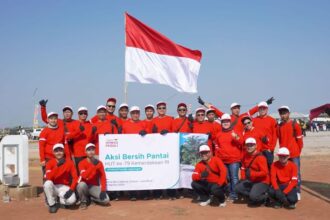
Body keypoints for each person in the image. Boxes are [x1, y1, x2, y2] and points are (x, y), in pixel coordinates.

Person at [197, 96, 275, 133]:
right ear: (231, 110)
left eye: (238, 108)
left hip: (239, 141)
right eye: (234, 108)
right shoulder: (227, 117)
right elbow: (215, 110)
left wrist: (266, 103)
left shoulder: (243, 117)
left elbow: (254, 110)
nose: (237, 109)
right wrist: (204, 103)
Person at [122, 106, 149, 200]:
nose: (135, 115)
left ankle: (144, 193)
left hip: (142, 152)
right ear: (130, 114)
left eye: (137, 113)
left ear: (139, 114)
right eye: (133, 113)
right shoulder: (125, 124)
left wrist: (145, 133)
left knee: (143, 173)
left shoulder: (144, 123)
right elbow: (121, 139)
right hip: (130, 153)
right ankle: (132, 193)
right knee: (132, 173)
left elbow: (149, 136)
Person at [214, 113, 242, 202]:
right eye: (224, 122)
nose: (225, 123)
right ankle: (230, 192)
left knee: (234, 177)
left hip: (234, 160)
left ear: (230, 122)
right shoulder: (219, 134)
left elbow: (241, 143)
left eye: (227, 121)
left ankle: (235, 195)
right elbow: (217, 147)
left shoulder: (235, 132)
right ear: (221, 123)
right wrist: (217, 158)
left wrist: (236, 138)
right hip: (223, 160)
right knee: (227, 178)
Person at [277, 106, 303, 200]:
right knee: (285, 173)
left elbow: (300, 141)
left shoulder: (294, 124)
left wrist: (297, 151)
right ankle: (289, 190)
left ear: (289, 113)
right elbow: (280, 140)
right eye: (281, 114)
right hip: (283, 154)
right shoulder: (279, 126)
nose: (283, 115)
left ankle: (298, 191)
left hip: (294, 154)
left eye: (285, 113)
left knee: (296, 173)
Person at [151, 101, 175, 199]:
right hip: (157, 149)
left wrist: (168, 132)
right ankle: (158, 192)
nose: (162, 110)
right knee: (158, 171)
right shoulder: (153, 120)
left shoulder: (171, 119)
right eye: (160, 108)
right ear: (157, 110)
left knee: (169, 171)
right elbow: (149, 135)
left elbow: (174, 133)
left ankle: (171, 192)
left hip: (168, 149)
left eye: (163, 108)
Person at [43, 143, 78, 213]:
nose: (58, 152)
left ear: (63, 151)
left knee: (72, 201)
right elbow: (48, 177)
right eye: (56, 151)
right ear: (53, 152)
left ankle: (60, 201)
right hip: (54, 186)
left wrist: (71, 190)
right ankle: (52, 204)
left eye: (60, 150)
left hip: (65, 187)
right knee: (47, 183)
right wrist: (57, 166)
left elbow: (75, 178)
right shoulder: (50, 163)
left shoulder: (70, 162)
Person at [235, 138, 270, 206]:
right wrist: (242, 178)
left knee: (253, 196)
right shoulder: (245, 156)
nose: (249, 147)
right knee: (237, 189)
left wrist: (252, 174)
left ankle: (266, 197)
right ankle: (254, 196)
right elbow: (243, 168)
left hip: (262, 181)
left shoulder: (261, 157)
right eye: (247, 145)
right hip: (251, 180)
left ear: (256, 146)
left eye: (251, 145)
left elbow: (265, 173)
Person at [77, 143, 110, 209]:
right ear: (85, 152)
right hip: (84, 186)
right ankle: (83, 202)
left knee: (106, 200)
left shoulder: (99, 163)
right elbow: (84, 176)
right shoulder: (81, 163)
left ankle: (92, 198)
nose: (91, 152)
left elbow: (103, 177)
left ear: (95, 151)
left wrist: (103, 190)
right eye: (89, 150)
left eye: (92, 149)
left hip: (93, 187)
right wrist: (93, 166)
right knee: (81, 185)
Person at [66, 107, 96, 171]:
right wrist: (79, 131)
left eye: (85, 113)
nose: (83, 115)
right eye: (81, 113)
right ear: (78, 114)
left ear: (87, 114)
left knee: (89, 172)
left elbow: (91, 140)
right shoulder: (73, 123)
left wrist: (93, 133)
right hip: (78, 154)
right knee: (79, 173)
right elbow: (68, 137)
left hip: (88, 153)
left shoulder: (90, 125)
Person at [252, 101, 277, 166]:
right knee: (259, 167)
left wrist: (271, 148)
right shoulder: (254, 120)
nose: (262, 110)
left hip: (268, 149)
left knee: (269, 167)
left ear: (267, 109)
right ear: (258, 110)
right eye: (260, 108)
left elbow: (274, 136)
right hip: (257, 149)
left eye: (264, 108)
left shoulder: (272, 120)